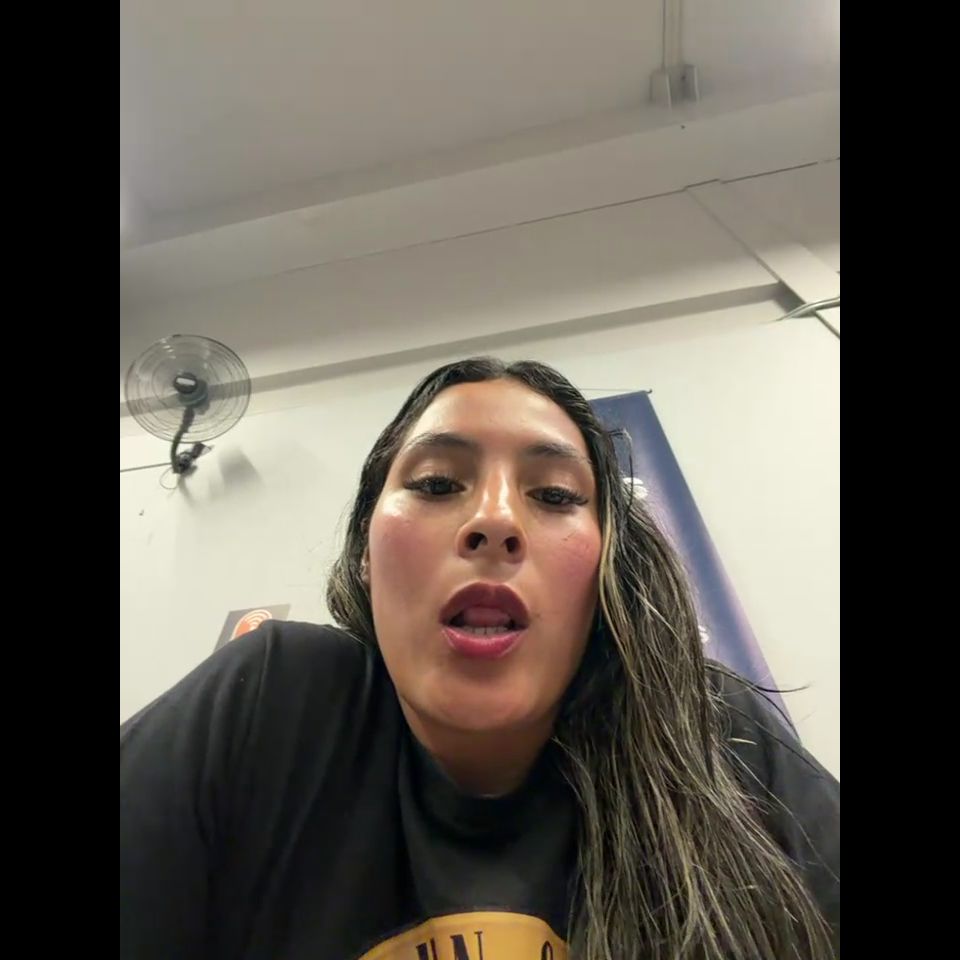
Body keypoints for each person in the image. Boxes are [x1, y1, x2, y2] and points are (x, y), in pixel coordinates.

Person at [120, 357, 839, 960]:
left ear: (606, 570)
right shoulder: (270, 703)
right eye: (437, 484)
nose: (494, 518)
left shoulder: (714, 733)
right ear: (365, 554)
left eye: (554, 494)